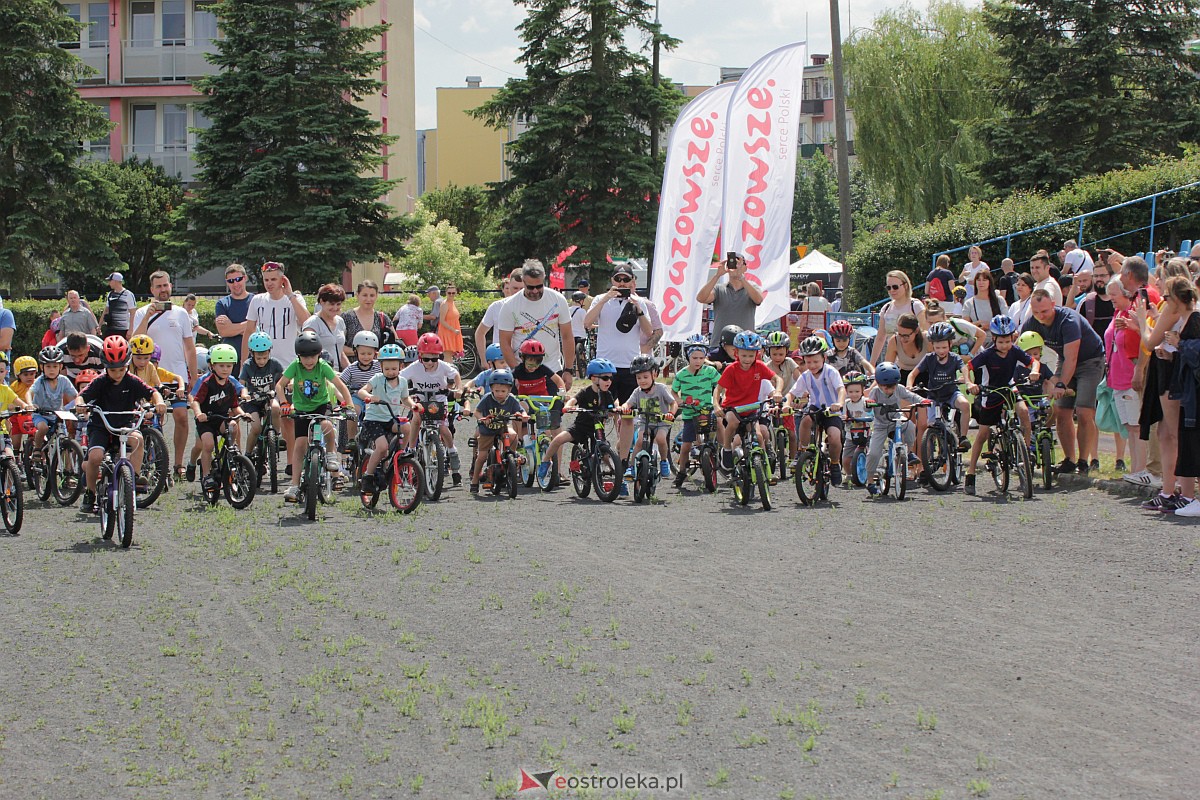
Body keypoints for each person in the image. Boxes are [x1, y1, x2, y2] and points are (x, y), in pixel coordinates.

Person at [1021, 290, 1106, 474]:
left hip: (1090, 361)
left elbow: (1072, 358)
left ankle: (1084, 461)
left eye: (1044, 311)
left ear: (1053, 304)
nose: (1041, 316)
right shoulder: (1032, 323)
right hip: (1065, 360)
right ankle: (1069, 460)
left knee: (1084, 411)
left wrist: (1061, 384)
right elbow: (1020, 350)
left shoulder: (1068, 320)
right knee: (1061, 409)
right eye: (1036, 312)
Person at [79, 336, 167, 514]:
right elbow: (82, 396)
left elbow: (152, 392)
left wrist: (159, 402)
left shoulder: (132, 380)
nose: (118, 373)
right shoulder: (100, 381)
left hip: (125, 425)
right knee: (95, 457)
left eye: (121, 369)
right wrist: (80, 404)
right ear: (105, 367)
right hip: (101, 426)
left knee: (138, 440)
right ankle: (90, 491)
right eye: (113, 370)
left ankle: (132, 480)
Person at [131, 270, 199, 479]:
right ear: (152, 290)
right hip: (149, 374)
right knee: (149, 417)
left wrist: (193, 376)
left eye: (166, 285)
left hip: (176, 373)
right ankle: (149, 461)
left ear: (171, 286)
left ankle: (178, 463)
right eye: (158, 286)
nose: (163, 290)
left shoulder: (181, 313)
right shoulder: (143, 312)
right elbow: (133, 340)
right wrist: (149, 316)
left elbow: (189, 346)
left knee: (181, 417)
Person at [962, 316, 1038, 495]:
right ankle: (971, 472)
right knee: (983, 433)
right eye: (1001, 342)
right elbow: (967, 367)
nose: (1005, 345)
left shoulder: (1015, 351)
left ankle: (1026, 452)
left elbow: (1033, 361)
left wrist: (1034, 371)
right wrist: (969, 383)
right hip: (991, 392)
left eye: (1008, 341)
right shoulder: (987, 354)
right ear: (994, 339)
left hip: (1009, 388)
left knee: (1024, 412)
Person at [277, 330, 353, 503]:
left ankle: (332, 455)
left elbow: (340, 386)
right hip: (301, 409)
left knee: (327, 426)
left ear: (319, 354)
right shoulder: (295, 366)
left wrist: (348, 406)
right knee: (300, 445)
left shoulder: (323, 366)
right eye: (304, 357)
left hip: (321, 405)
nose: (309, 361)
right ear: (298, 356)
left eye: (313, 356)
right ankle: (295, 485)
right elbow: (280, 386)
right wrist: (284, 404)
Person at [582, 264, 654, 405]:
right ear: (612, 281)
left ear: (632, 281)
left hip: (630, 365)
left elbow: (649, 331)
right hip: (605, 365)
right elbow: (587, 322)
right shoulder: (600, 299)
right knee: (603, 411)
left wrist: (638, 310)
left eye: (625, 279)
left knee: (628, 412)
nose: (621, 283)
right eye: (618, 279)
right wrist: (605, 299)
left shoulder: (638, 302)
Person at [498, 259, 576, 385]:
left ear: (544, 279)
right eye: (530, 287)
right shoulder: (509, 306)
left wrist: (568, 369)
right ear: (523, 281)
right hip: (524, 372)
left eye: (539, 286)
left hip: (553, 370)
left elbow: (567, 336)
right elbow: (505, 343)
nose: (535, 291)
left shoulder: (558, 300)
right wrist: (516, 373)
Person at [402, 333, 465, 486]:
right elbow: (400, 378)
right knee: (416, 419)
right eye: (426, 359)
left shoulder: (443, 367)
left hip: (438, 400)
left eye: (434, 359)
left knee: (443, 428)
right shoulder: (414, 368)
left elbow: (455, 375)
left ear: (440, 357)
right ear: (420, 356)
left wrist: (459, 388)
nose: (430, 362)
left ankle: (451, 450)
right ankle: (411, 448)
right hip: (420, 399)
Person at [784, 335, 846, 486]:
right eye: (808, 362)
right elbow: (792, 393)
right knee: (805, 419)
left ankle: (835, 464)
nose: (812, 365)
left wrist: (839, 403)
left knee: (834, 436)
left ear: (824, 358)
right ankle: (802, 451)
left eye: (816, 361)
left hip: (831, 409)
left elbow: (841, 389)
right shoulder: (805, 376)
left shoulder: (831, 372)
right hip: (815, 407)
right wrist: (787, 403)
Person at [714, 331, 781, 469]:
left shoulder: (759, 366)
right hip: (733, 408)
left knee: (759, 435)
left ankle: (763, 468)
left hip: (751, 409)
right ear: (736, 353)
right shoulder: (731, 369)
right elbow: (718, 389)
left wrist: (778, 391)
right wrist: (716, 405)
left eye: (751, 356)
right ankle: (726, 449)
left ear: (757, 354)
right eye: (744, 355)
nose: (747, 359)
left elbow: (777, 379)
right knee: (733, 422)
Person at [1104, 277, 1147, 484]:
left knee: (1137, 426)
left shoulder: (1132, 312)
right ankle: (1135, 468)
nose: (1110, 298)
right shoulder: (1117, 312)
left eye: (1114, 294)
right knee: (1129, 426)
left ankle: (1141, 469)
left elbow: (1144, 341)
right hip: (1117, 376)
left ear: (1125, 293)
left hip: (1130, 376)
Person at [189, 343, 248, 494]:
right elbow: (195, 400)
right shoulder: (207, 383)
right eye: (221, 365)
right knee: (207, 445)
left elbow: (235, 406)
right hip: (206, 420)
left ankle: (230, 449)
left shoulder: (230, 385)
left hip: (221, 418)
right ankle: (206, 476)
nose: (225, 369)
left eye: (228, 366)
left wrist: (243, 413)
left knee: (233, 425)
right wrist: (198, 414)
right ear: (212, 366)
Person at [909, 321, 973, 457]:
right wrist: (909, 385)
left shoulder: (955, 358)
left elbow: (964, 368)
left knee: (965, 405)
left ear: (950, 344)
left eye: (944, 347)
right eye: (938, 347)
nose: (941, 351)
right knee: (930, 424)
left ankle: (963, 437)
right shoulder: (929, 358)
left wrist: (967, 382)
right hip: (934, 396)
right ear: (932, 346)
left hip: (951, 393)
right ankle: (930, 453)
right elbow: (913, 373)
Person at [356, 343, 413, 494]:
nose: (390, 372)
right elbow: (362, 391)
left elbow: (406, 399)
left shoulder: (402, 382)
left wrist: (414, 405)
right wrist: (369, 397)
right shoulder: (377, 379)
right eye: (387, 369)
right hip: (374, 419)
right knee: (382, 448)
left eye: (394, 368)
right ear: (381, 367)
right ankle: (367, 477)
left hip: (390, 419)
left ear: (401, 366)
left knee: (406, 427)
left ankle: (400, 453)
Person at [863, 361, 923, 495]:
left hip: (896, 420)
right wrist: (869, 404)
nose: (890, 390)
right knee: (873, 452)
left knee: (910, 426)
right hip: (881, 425)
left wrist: (922, 401)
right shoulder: (875, 392)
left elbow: (911, 396)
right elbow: (866, 405)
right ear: (878, 384)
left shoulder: (899, 389)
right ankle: (870, 480)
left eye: (892, 386)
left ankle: (909, 452)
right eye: (886, 387)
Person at [616, 354, 677, 482]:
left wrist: (671, 413)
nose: (642, 380)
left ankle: (664, 461)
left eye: (645, 377)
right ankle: (631, 467)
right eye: (638, 378)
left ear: (654, 375)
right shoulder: (637, 391)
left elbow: (673, 403)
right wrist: (624, 407)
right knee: (639, 441)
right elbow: (628, 403)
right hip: (645, 422)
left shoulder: (661, 389)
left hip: (661, 422)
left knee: (660, 438)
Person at [670, 341, 721, 485]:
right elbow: (674, 390)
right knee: (686, 445)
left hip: (707, 410)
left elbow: (720, 385)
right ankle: (681, 472)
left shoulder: (710, 372)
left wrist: (717, 398)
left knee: (715, 431)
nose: (698, 361)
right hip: (690, 412)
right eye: (694, 358)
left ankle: (724, 455)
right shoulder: (681, 374)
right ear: (688, 357)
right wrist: (678, 399)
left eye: (701, 358)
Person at [242, 261, 311, 367]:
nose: (269, 283)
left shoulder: (295, 299)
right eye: (266, 280)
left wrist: (290, 295)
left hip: (289, 364)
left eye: (273, 279)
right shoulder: (257, 300)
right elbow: (249, 331)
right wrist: (243, 364)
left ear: (282, 280)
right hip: (263, 365)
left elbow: (306, 322)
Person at [468, 369, 525, 492]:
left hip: (503, 427)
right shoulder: (487, 398)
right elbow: (477, 412)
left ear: (509, 390)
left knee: (513, 435)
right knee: (482, 456)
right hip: (487, 430)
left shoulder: (511, 399)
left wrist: (523, 415)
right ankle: (475, 480)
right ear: (491, 389)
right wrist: (482, 419)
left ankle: (511, 457)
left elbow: (521, 410)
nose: (499, 393)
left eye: (503, 391)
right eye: (496, 390)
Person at [696, 253, 764, 346]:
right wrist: (717, 275)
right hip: (720, 345)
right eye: (732, 263)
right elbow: (701, 298)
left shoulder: (751, 287)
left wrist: (742, 278)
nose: (735, 267)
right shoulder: (719, 289)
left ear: (745, 268)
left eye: (739, 263)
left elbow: (758, 300)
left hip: (745, 346)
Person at [238, 331, 285, 464]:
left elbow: (283, 379)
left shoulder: (274, 363)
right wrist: (244, 393)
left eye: (265, 357)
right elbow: (242, 384)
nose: (262, 361)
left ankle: (276, 435)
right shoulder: (248, 365)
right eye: (258, 358)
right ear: (252, 353)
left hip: (268, 397)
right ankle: (247, 454)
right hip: (252, 401)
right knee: (256, 427)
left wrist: (290, 383)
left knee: (276, 408)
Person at [29, 346, 79, 457]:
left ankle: (69, 471)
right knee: (43, 428)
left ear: (60, 366)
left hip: (57, 415)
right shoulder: (40, 381)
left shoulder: (63, 380)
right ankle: (37, 449)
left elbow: (76, 396)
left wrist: (75, 405)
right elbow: (29, 392)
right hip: (41, 414)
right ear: (42, 367)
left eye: (55, 366)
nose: (51, 369)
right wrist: (29, 404)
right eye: (48, 366)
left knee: (65, 441)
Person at [871, 271, 926, 364]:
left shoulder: (916, 306)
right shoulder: (886, 308)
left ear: (905, 286)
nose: (892, 290)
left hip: (914, 360)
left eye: (895, 287)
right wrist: (871, 364)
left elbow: (924, 333)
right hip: (892, 360)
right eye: (888, 287)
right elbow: (880, 338)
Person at [340, 330, 381, 449]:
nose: (366, 357)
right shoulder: (352, 369)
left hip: (374, 397)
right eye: (362, 353)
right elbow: (341, 382)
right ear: (355, 352)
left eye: (369, 353)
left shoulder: (379, 366)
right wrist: (343, 397)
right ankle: (351, 439)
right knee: (353, 412)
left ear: (375, 353)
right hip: (357, 397)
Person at [342, 279, 396, 363]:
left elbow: (394, 344)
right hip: (352, 368)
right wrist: (363, 354)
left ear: (376, 296)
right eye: (364, 295)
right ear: (357, 295)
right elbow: (339, 346)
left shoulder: (382, 318)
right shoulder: (347, 317)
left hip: (378, 368)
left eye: (372, 295)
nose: (368, 299)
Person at [301, 283, 349, 371]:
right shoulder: (312, 323)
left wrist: (351, 371)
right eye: (331, 304)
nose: (335, 308)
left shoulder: (340, 321)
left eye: (338, 304)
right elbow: (307, 354)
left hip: (338, 374)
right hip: (320, 374)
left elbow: (340, 352)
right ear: (322, 302)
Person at [474, 270, 522, 356]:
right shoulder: (496, 306)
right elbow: (480, 333)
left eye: (521, 288)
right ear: (509, 286)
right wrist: (484, 359)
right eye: (515, 288)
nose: (518, 291)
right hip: (501, 360)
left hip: (526, 360)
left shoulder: (534, 307)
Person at [214, 263, 253, 358]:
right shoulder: (222, 304)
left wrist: (232, 327)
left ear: (245, 278)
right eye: (231, 281)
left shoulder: (256, 301)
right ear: (227, 282)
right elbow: (224, 332)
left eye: (238, 279)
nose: (235, 284)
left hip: (254, 357)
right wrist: (250, 325)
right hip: (228, 359)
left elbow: (260, 328)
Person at [882, 313, 927, 385]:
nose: (902, 339)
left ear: (916, 331)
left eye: (906, 336)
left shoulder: (927, 340)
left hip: (925, 377)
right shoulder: (894, 341)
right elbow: (887, 367)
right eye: (900, 334)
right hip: (903, 378)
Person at [1075, 261, 1114, 338]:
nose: (1099, 279)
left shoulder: (1120, 301)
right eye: (1096, 276)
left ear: (1111, 276)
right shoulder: (1086, 303)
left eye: (1102, 276)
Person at [97, 273, 136, 339]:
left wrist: (131, 329)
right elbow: (106, 310)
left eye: (110, 281)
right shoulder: (110, 294)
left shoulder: (128, 294)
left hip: (123, 329)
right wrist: (99, 325)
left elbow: (133, 312)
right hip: (110, 328)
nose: (109, 283)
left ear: (115, 281)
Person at [437, 284, 465, 361]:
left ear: (456, 293)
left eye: (453, 293)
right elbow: (442, 321)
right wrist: (453, 330)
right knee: (447, 355)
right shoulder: (445, 304)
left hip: (453, 332)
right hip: (447, 332)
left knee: (450, 356)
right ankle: (448, 372)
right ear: (446, 293)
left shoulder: (452, 303)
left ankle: (450, 371)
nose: (451, 295)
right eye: (449, 293)